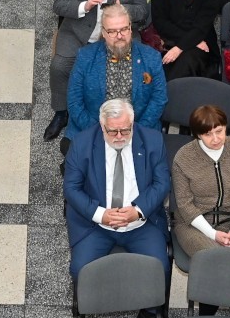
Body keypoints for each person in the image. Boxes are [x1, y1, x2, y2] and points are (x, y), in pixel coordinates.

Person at [47, 0, 151, 142]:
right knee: (59, 66)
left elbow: (142, 12)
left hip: (118, 36)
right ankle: (61, 111)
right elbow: (58, 5)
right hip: (77, 33)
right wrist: (84, 6)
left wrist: (123, 9)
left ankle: (126, 114)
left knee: (133, 67)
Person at [63, 98, 172, 278]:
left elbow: (162, 183)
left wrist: (138, 211)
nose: (120, 136)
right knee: (80, 270)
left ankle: (150, 299)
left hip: (142, 223)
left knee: (159, 268)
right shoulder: (82, 144)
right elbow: (71, 188)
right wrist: (101, 215)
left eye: (126, 130)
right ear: (102, 126)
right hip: (96, 225)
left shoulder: (153, 141)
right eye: (113, 131)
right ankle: (93, 298)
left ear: (132, 123)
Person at [171, 104, 230, 269]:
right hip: (193, 225)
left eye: (219, 131)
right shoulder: (183, 158)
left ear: (226, 127)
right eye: (208, 134)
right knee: (219, 260)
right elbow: (184, 204)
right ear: (198, 135)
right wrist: (212, 234)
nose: (216, 139)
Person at [67, 3, 167, 137]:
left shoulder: (151, 57)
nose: (119, 36)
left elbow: (159, 99)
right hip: (93, 128)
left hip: (140, 128)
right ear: (103, 33)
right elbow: (74, 101)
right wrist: (100, 133)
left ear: (130, 29)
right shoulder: (85, 56)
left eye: (124, 29)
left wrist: (134, 131)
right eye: (112, 31)